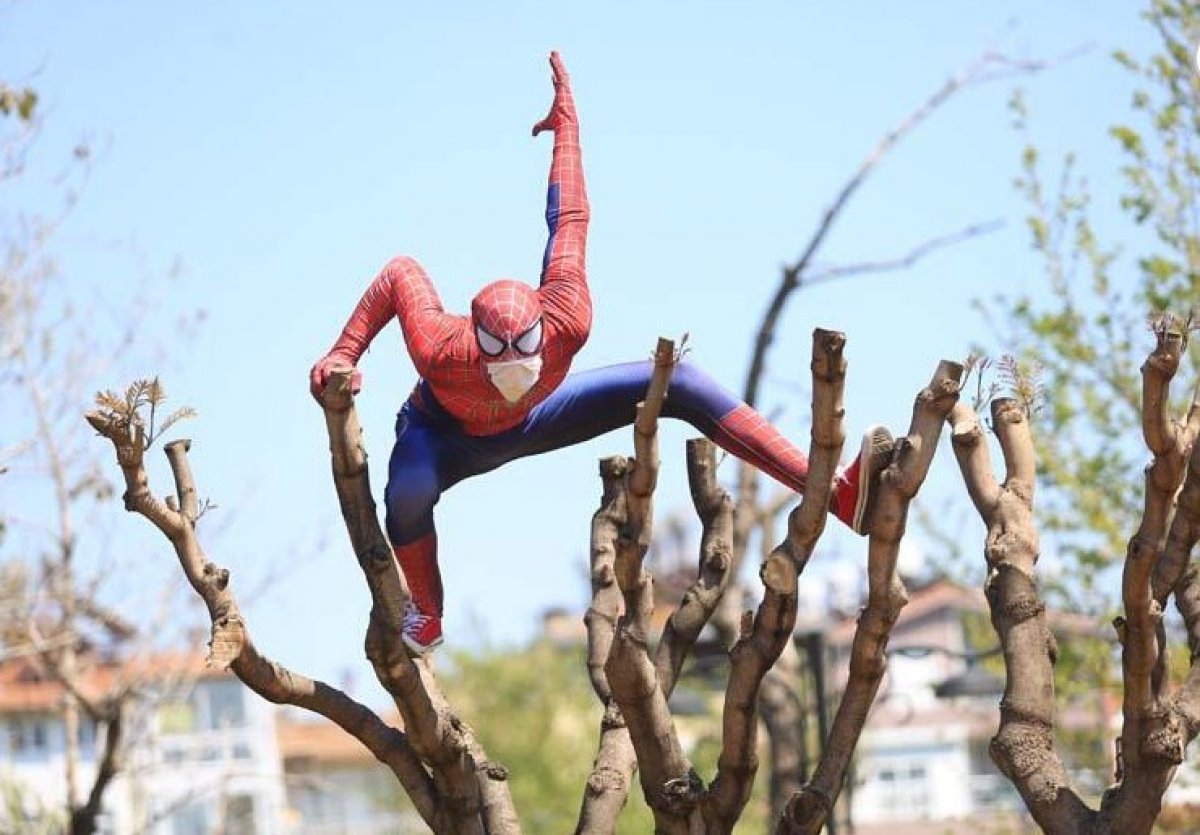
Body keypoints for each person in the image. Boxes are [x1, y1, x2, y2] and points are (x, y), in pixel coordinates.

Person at [310, 51, 893, 655]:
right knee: (406, 492)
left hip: (540, 414)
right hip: (444, 436)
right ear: (474, 345)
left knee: (681, 381)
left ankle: (836, 494)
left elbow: (569, 215)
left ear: (542, 328)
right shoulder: (441, 348)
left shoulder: (566, 314)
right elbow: (400, 273)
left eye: (523, 347)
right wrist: (344, 353)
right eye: (497, 353)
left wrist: (567, 127)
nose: (511, 364)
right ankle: (427, 614)